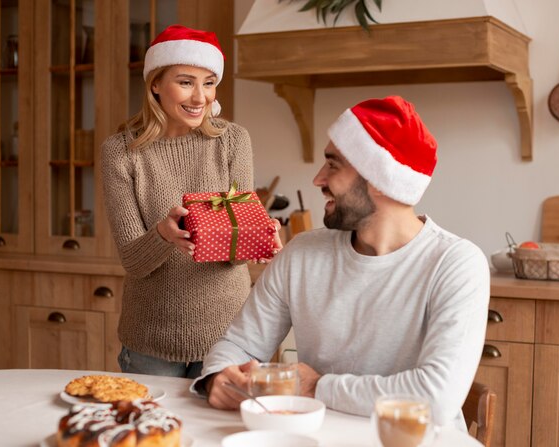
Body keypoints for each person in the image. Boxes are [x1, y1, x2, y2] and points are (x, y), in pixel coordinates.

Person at [191, 96, 490, 430]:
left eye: (333, 165)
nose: (318, 179)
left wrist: (317, 386)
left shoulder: (456, 264)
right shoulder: (302, 253)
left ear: (378, 179)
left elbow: (435, 398)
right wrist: (218, 376)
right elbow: (239, 344)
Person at [101, 25, 278, 378]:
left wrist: (258, 237)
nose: (200, 98)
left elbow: (235, 250)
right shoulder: (120, 152)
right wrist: (164, 236)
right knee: (153, 433)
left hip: (230, 337)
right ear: (155, 83)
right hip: (150, 342)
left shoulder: (233, 141)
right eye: (185, 82)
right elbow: (134, 261)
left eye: (209, 83)